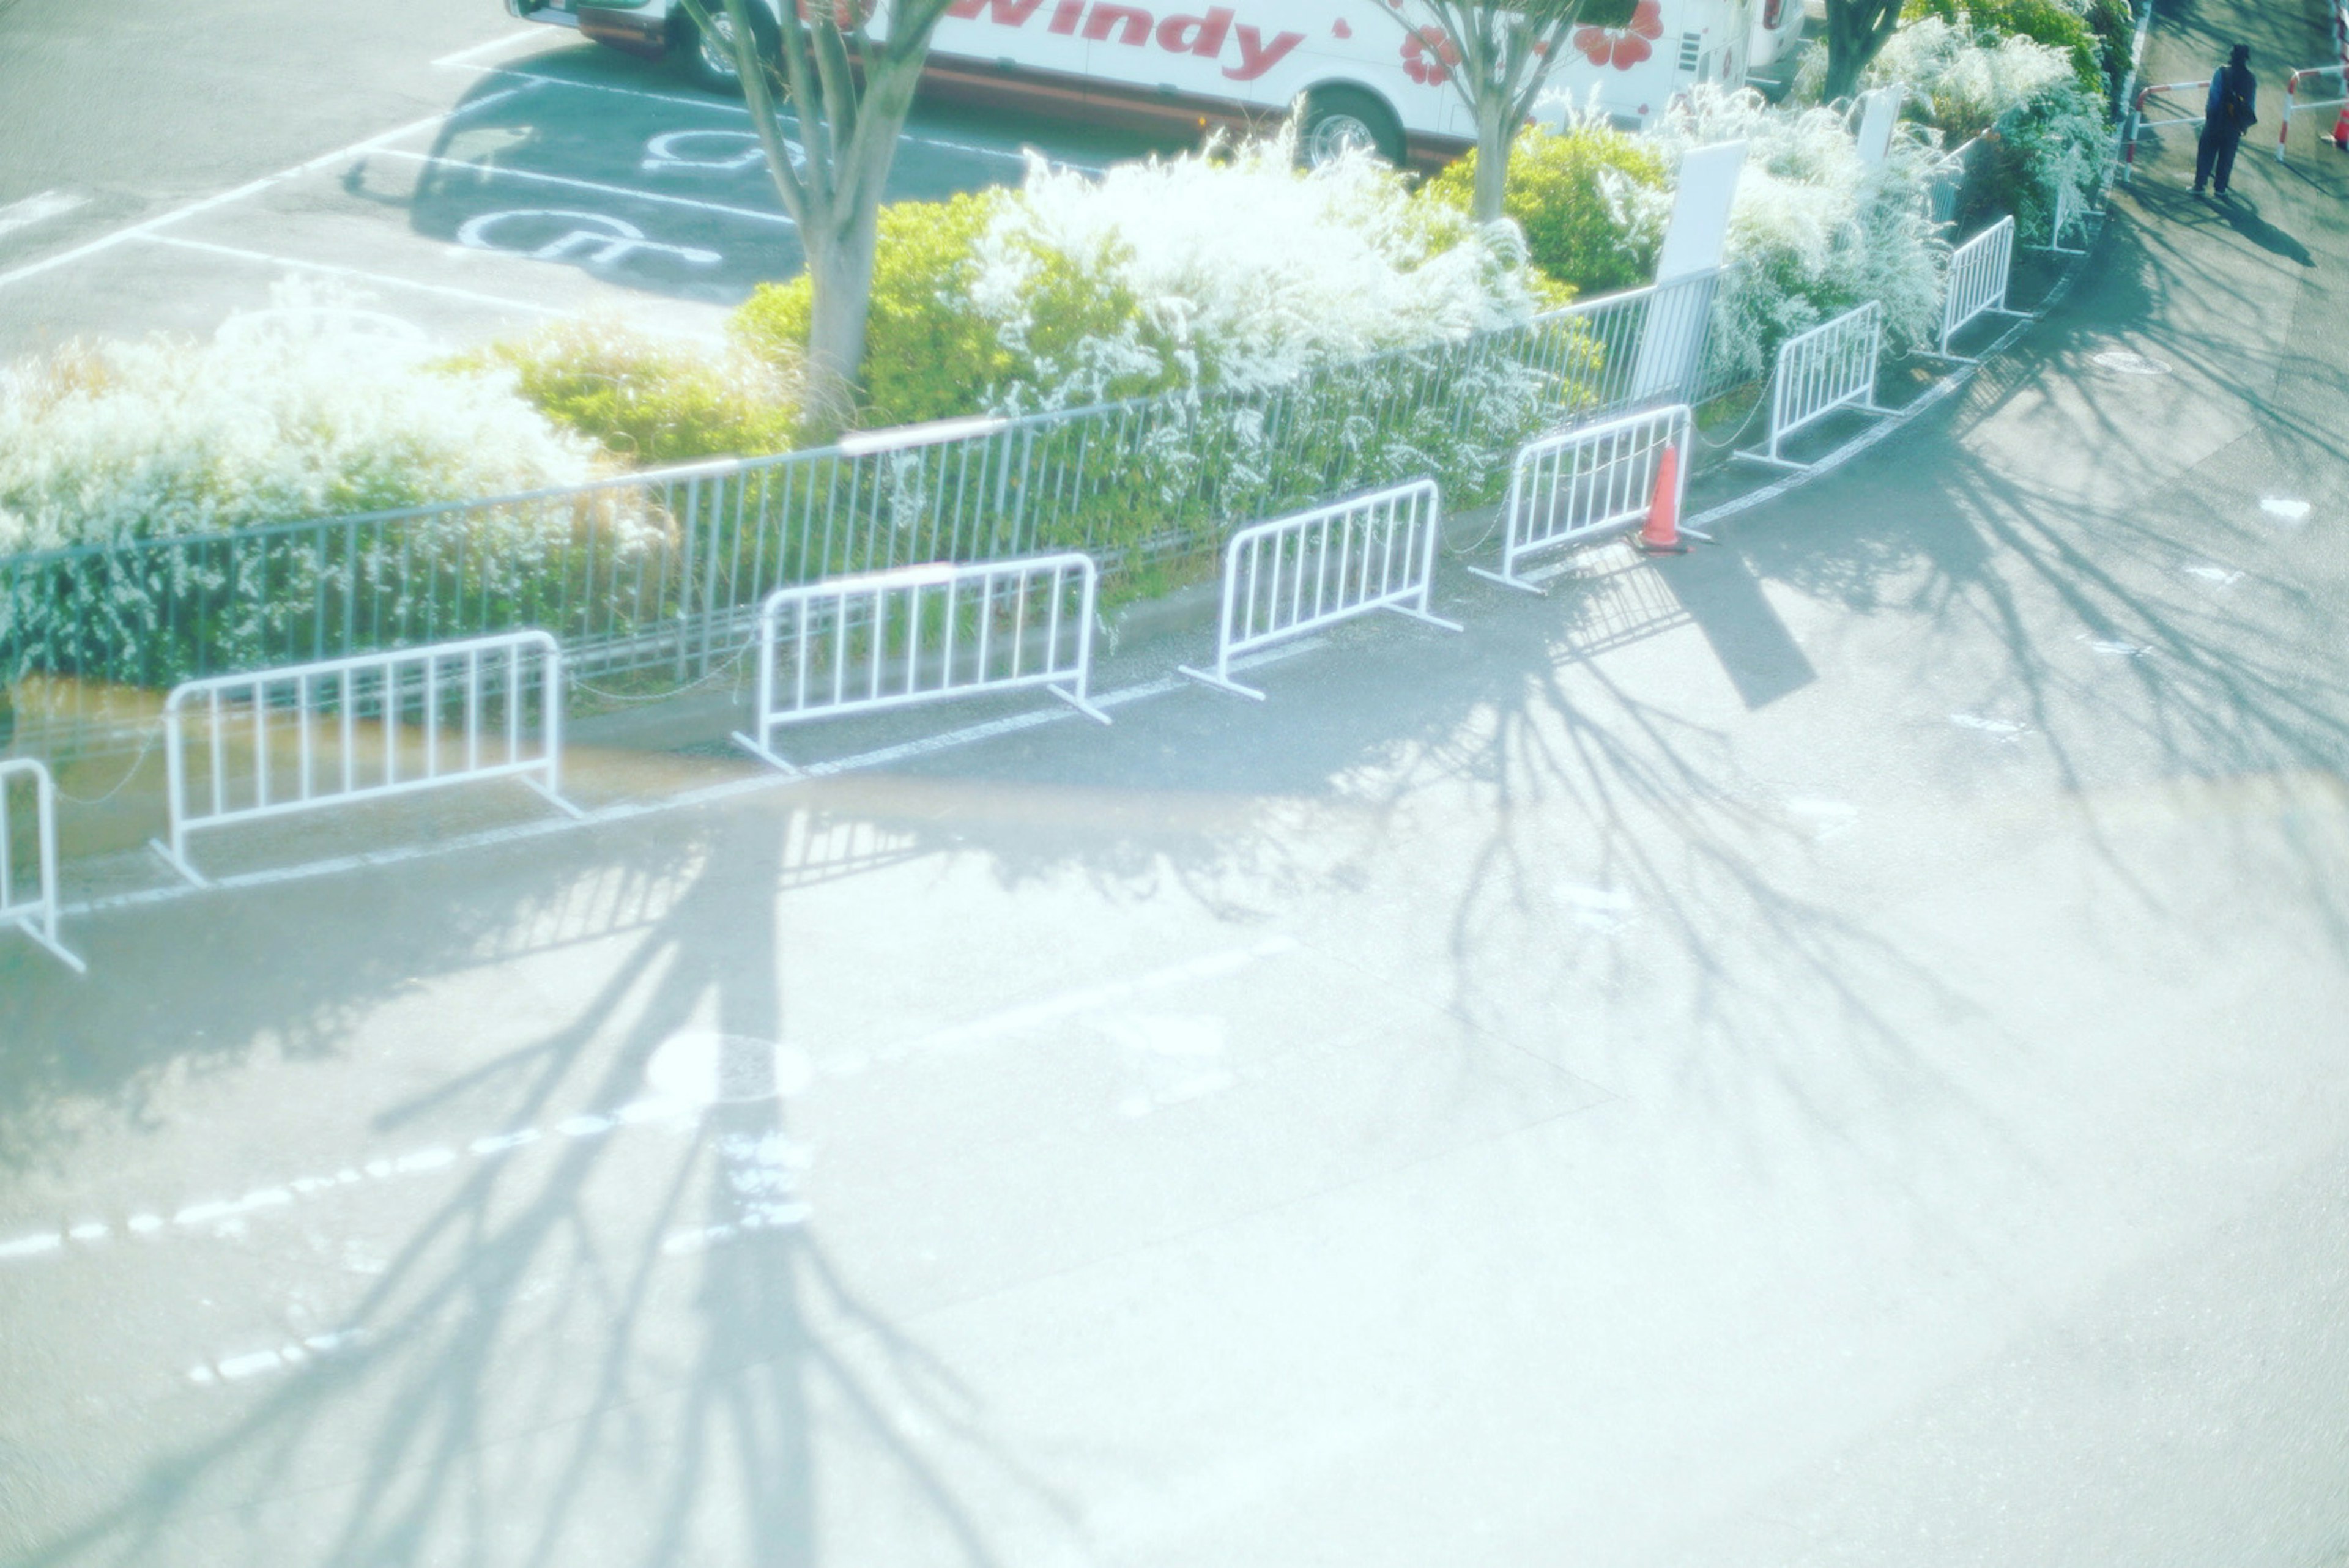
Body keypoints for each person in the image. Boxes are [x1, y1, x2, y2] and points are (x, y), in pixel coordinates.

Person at [2192, 43, 2258, 196]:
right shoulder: (2251, 79)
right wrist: (2243, 125)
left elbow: (2213, 98)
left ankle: (2200, 185)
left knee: (2206, 153)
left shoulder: (2222, 72)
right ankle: (2220, 189)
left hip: (2217, 120)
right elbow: (2251, 104)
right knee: (2227, 156)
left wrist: (2210, 116)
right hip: (2235, 125)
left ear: (2231, 57)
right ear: (2246, 60)